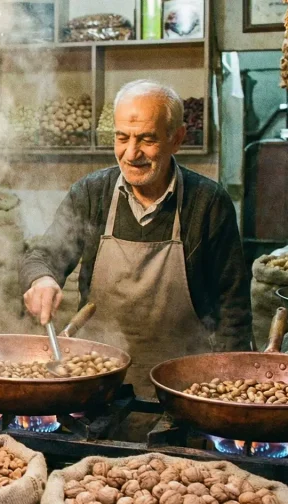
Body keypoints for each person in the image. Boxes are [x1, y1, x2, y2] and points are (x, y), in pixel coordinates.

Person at [20, 80, 251, 397]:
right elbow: (44, 256)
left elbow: (233, 308)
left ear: (177, 139)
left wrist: (229, 386)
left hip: (185, 385)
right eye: (122, 138)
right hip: (98, 378)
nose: (131, 153)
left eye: (147, 139)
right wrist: (42, 280)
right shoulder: (91, 194)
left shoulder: (208, 203)